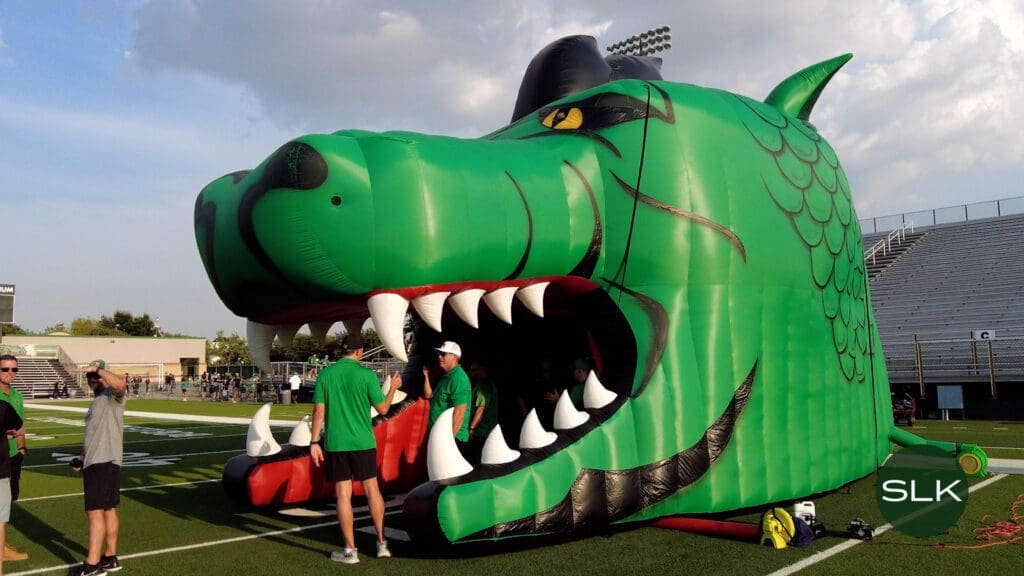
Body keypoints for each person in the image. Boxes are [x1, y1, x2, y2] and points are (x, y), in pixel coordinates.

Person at [310, 334, 402, 564]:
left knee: (343, 494)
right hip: (363, 442)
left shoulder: (326, 374)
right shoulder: (367, 375)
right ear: (359, 352)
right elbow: (383, 409)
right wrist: (393, 388)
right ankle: (382, 544)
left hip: (337, 443)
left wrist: (313, 443)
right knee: (372, 490)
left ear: (342, 351)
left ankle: (350, 551)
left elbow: (318, 412)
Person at [72, 360, 127, 576]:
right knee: (107, 509)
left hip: (103, 462)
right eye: (90, 377)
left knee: (94, 512)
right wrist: (82, 457)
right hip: (98, 460)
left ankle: (92, 565)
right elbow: (94, 436)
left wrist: (98, 369)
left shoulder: (111, 396)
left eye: (96, 376)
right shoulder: (98, 400)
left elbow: (121, 385)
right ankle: (110, 557)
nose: (93, 380)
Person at [0, 355, 27, 564]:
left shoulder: (17, 396)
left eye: (14, 369)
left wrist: (21, 448)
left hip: (12, 456)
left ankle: (3, 543)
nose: (10, 373)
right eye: (5, 369)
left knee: (8, 502)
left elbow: (21, 425)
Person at [423, 341, 471, 454]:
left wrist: (449, 441)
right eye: (439, 354)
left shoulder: (458, 378)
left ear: (454, 357)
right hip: (440, 436)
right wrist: (426, 376)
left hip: (452, 438)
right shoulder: (447, 377)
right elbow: (429, 395)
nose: (439, 357)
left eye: (443, 354)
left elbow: (460, 411)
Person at [467, 361, 498, 463]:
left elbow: (481, 409)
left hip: (482, 432)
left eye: (473, 370)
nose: (470, 373)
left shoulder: (483, 387)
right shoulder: (486, 384)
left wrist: (471, 428)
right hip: (486, 430)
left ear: (482, 370)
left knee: (479, 460)